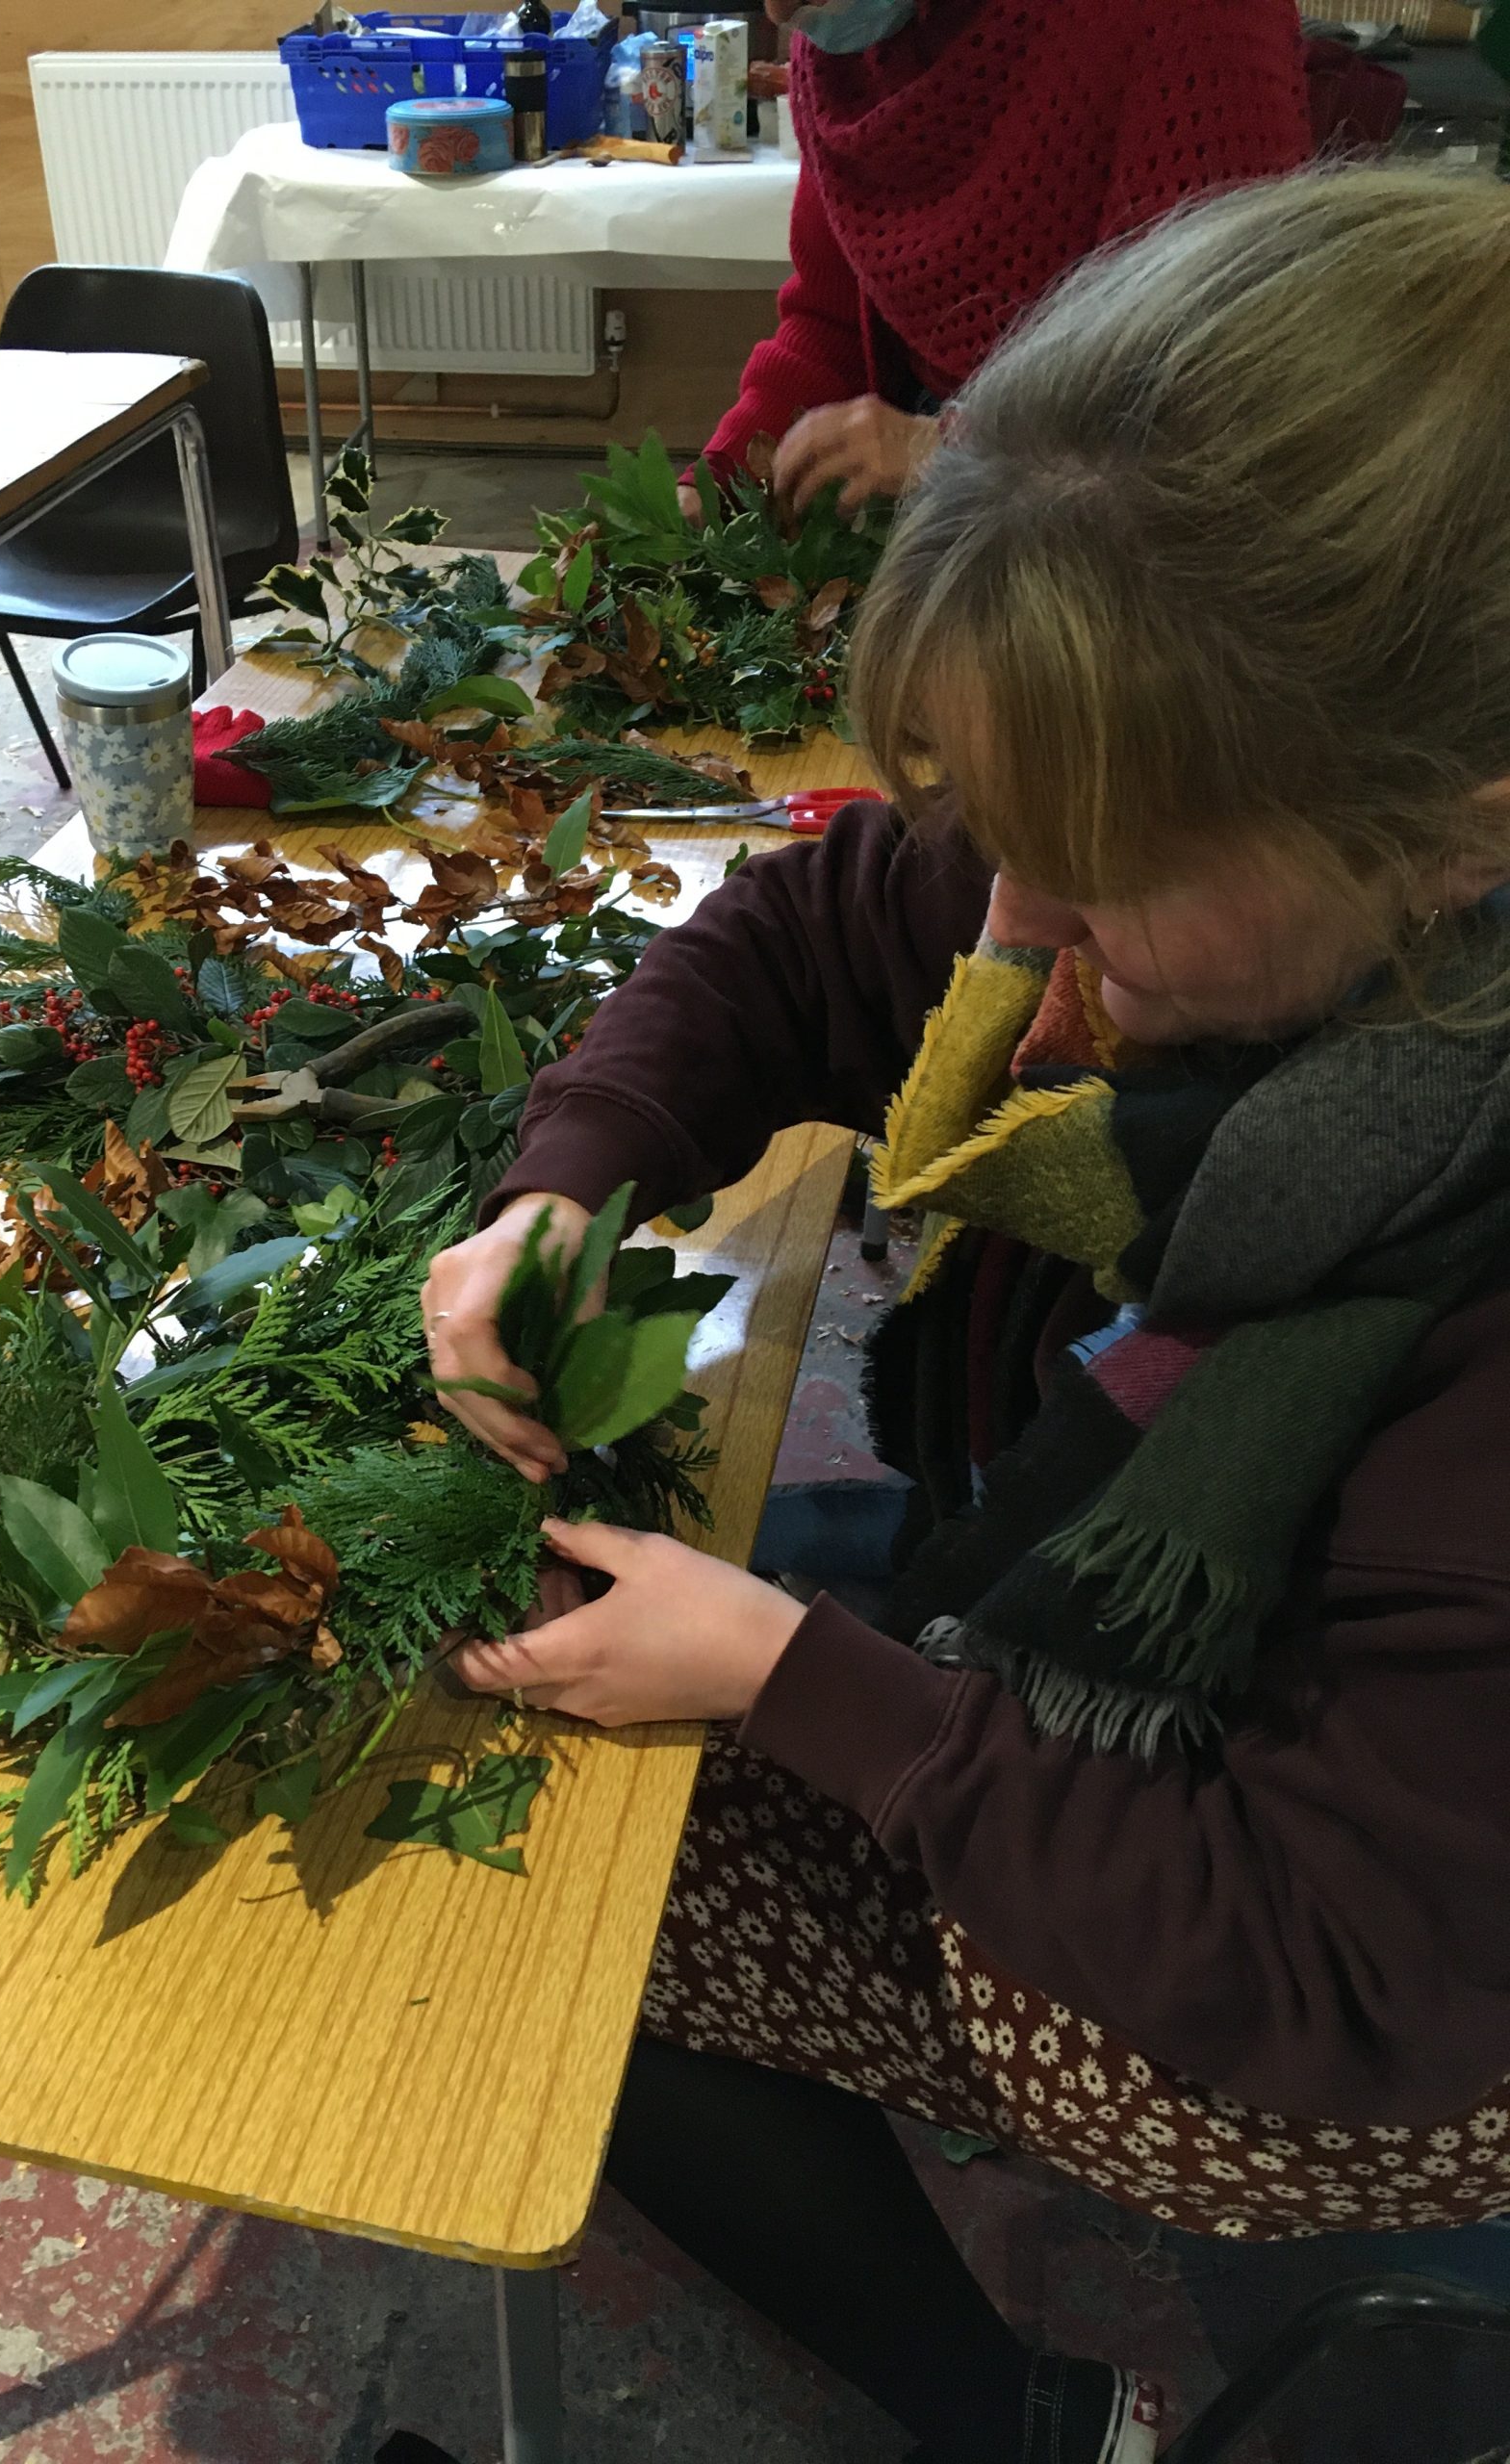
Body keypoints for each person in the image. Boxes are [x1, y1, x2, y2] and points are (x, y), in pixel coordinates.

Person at [420, 168, 1510, 2464]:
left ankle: (1005, 2410)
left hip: (1340, 2017)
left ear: (1455, 839)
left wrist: (820, 1694)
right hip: (1233, 1808)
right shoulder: (1249, 852)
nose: (1016, 927)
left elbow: (1335, 1971)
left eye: (1090, 866)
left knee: (546, 1900)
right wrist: (566, 1182)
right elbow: (819, 928)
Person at [688, 0, 1311, 520]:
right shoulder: (844, 50)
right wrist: (713, 485)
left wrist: (942, 450)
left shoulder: (1196, 19)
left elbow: (1215, 393)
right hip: (966, 499)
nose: (781, 10)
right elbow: (832, 323)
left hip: (1145, 548)